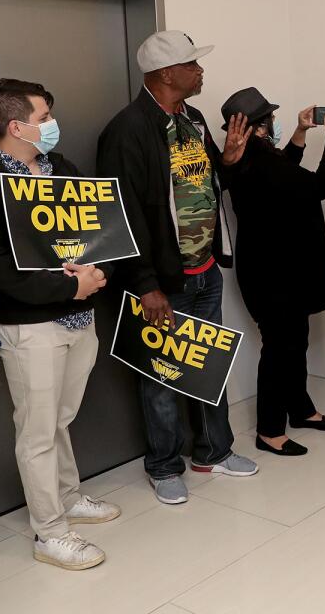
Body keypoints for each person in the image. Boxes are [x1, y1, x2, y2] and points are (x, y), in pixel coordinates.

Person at [0, 79, 117, 572]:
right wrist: (68, 288)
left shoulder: (59, 168)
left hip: (80, 316)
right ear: (15, 125)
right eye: (44, 116)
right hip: (29, 327)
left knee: (60, 418)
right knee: (37, 431)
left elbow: (94, 224)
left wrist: (95, 271)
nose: (52, 124)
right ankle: (50, 531)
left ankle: (67, 497)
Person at [97, 30, 258, 506]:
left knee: (209, 365)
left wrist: (227, 161)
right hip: (161, 281)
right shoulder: (127, 130)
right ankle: (164, 465)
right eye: (192, 65)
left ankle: (214, 450)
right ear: (167, 74)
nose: (200, 71)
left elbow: (206, 182)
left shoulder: (193, 118)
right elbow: (120, 214)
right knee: (161, 375)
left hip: (203, 269)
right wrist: (145, 284)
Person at [221, 88, 325, 456]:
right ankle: (270, 430)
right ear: (259, 129)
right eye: (270, 120)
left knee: (294, 340)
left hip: (273, 267)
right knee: (280, 346)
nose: (274, 125)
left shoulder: (250, 156)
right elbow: (319, 185)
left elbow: (284, 173)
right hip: (273, 274)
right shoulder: (260, 161)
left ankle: (301, 409)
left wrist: (300, 133)